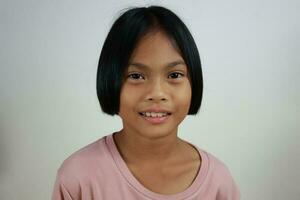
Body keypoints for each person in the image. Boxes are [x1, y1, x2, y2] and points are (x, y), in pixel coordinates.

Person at [52, 5, 240, 200]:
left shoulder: (218, 182)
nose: (157, 93)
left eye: (174, 75)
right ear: (110, 79)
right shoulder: (78, 178)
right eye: (136, 76)